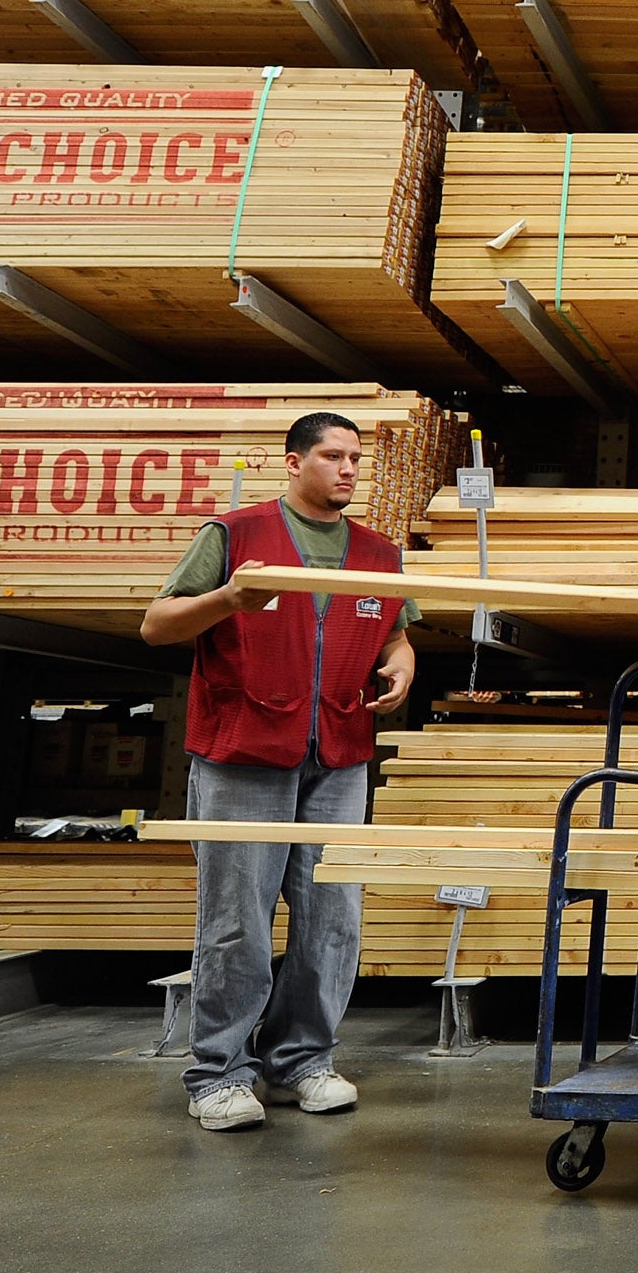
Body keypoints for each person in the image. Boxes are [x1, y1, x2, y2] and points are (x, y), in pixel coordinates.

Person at [141, 411, 418, 1133]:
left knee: (333, 919)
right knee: (236, 920)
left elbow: (395, 628)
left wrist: (402, 661)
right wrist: (229, 597)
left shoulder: (379, 552)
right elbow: (157, 623)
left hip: (340, 752)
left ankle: (303, 1060)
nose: (349, 468)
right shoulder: (237, 536)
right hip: (246, 750)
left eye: (356, 457)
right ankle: (220, 1073)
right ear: (293, 462)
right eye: (333, 455)